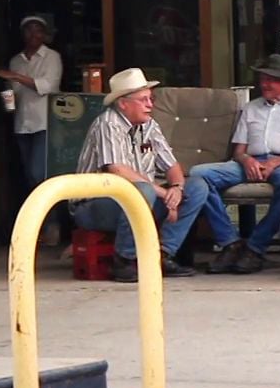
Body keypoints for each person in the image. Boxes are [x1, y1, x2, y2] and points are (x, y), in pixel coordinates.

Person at [72, 68, 209, 283]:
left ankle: (162, 254)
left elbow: (172, 166)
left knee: (197, 186)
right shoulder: (108, 124)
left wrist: (176, 189)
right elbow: (118, 171)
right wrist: (164, 194)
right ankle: (125, 260)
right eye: (143, 100)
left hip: (144, 199)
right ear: (123, 103)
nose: (150, 105)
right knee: (140, 190)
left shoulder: (150, 125)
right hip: (94, 206)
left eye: (151, 99)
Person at [191, 54, 280, 274]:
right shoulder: (252, 107)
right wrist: (247, 160)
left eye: (272, 79)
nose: (265, 84)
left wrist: (277, 162)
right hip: (250, 162)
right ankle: (230, 242)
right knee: (199, 174)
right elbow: (239, 151)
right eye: (263, 78)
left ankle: (255, 246)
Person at [0, 16, 63, 242]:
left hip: (45, 123)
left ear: (44, 35)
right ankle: (42, 226)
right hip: (23, 123)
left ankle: (51, 224)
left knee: (39, 174)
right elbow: (14, 93)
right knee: (30, 177)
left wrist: (15, 77)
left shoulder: (52, 57)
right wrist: (7, 97)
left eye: (38, 31)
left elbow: (47, 86)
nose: (33, 36)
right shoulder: (16, 60)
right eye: (29, 32)